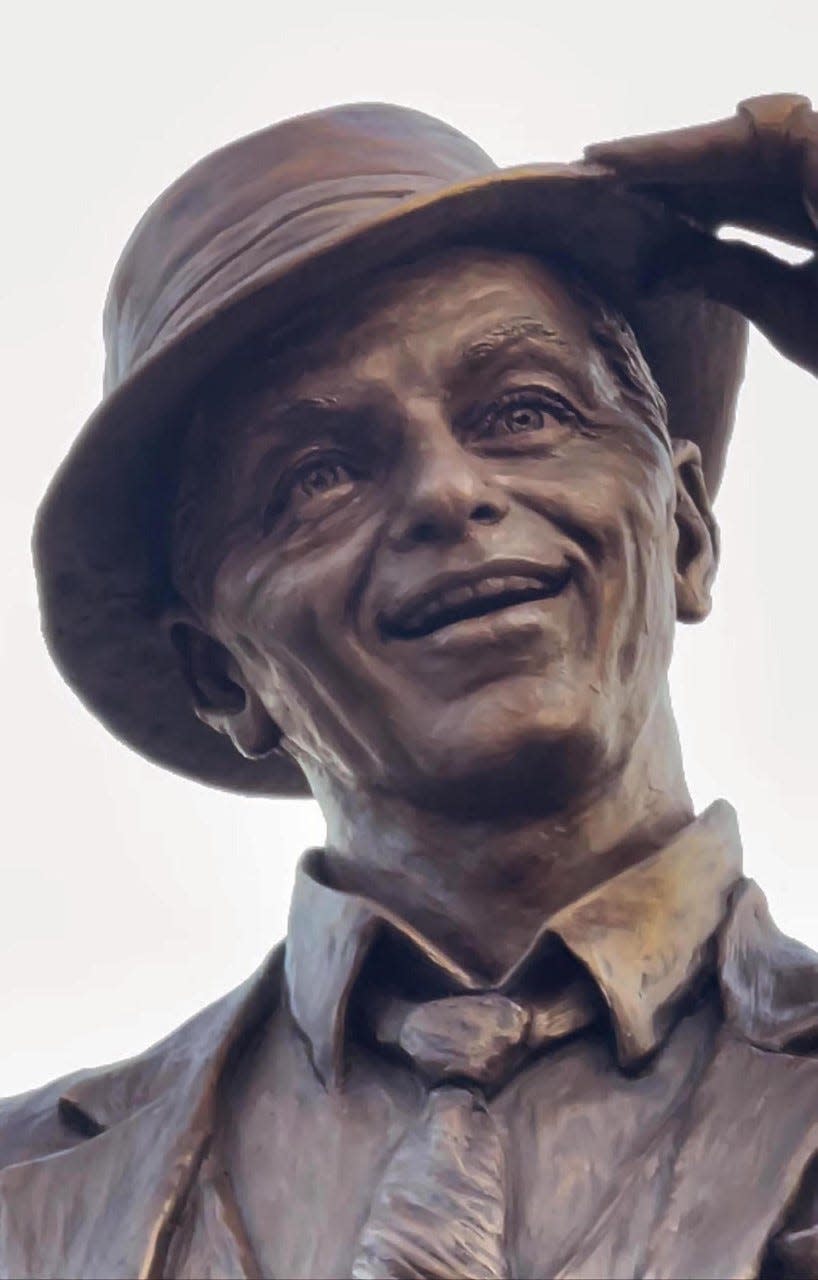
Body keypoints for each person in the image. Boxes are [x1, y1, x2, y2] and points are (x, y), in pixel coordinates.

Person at [1, 94, 816, 1280]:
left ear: (684, 529)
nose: (447, 492)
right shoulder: (27, 1195)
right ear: (217, 671)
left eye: (523, 411)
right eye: (318, 475)